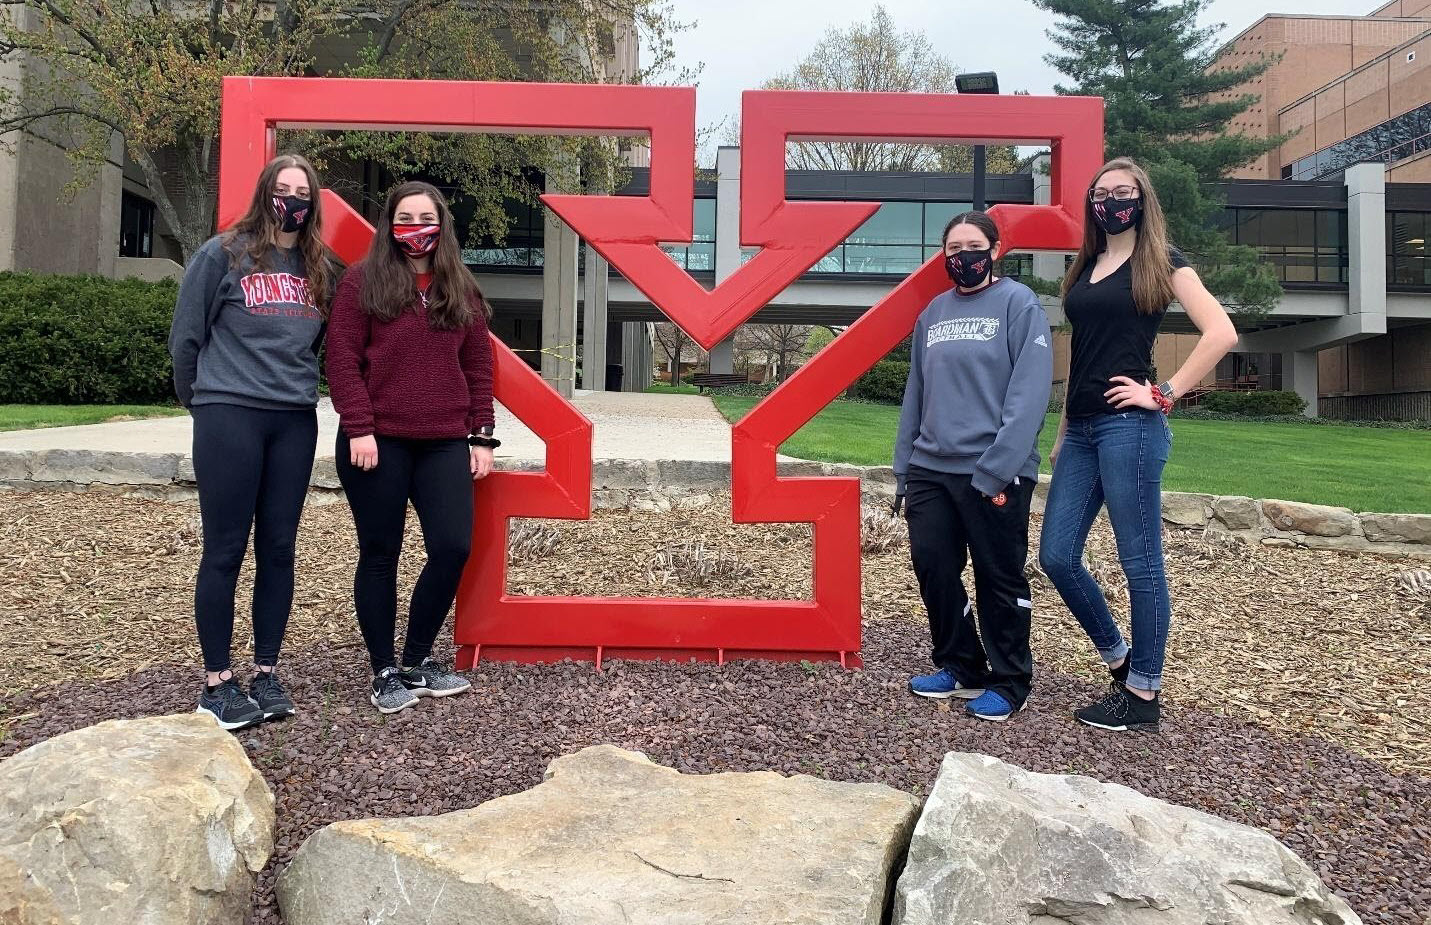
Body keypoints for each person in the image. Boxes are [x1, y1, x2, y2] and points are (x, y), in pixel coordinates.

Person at [1039, 157, 1237, 732]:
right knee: (1056, 556)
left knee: (1141, 562)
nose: (1113, 200)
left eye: (1124, 192)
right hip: (1081, 430)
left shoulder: (1164, 263)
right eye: (1103, 193)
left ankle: (1143, 695)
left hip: (1133, 429)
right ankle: (1120, 658)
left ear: (1142, 200)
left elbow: (1221, 332)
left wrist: (1164, 392)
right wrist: (1061, 430)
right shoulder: (1087, 266)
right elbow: (1083, 355)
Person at [169, 154, 335, 731]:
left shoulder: (318, 267)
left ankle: (266, 670)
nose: (292, 199)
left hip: (292, 419)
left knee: (279, 548)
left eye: (302, 191)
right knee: (224, 548)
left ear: (312, 203)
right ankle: (217, 681)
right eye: (282, 188)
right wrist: (205, 403)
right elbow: (186, 337)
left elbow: (316, 347)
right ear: (265, 192)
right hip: (229, 413)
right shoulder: (223, 254)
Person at [326, 180, 496, 715]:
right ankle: (383, 672)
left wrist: (482, 434)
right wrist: (359, 428)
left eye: (425, 218)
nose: (415, 228)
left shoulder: (460, 287)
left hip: (444, 441)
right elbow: (341, 360)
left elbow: (478, 366)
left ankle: (418, 660)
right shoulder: (362, 282)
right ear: (389, 225)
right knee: (381, 554)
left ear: (441, 224)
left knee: (452, 547)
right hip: (377, 442)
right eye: (404, 218)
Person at [894, 211, 1053, 722]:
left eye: (973, 246)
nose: (963, 256)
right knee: (934, 567)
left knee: (997, 576)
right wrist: (904, 467)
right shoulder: (933, 314)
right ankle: (961, 664)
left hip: (994, 470)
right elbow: (916, 392)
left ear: (994, 249)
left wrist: (997, 467)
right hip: (930, 469)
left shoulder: (1018, 305)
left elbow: (1028, 396)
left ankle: (1009, 681)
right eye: (953, 248)